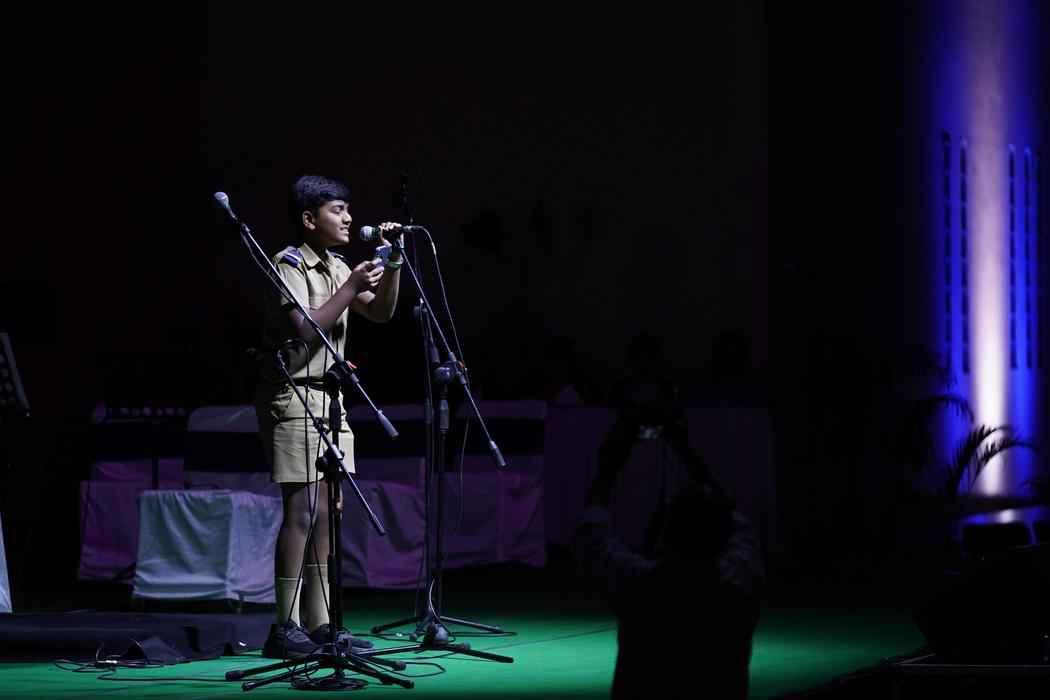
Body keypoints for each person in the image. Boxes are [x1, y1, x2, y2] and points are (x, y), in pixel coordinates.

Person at [253, 175, 403, 658]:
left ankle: (319, 624)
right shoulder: (288, 263)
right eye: (338, 210)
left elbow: (381, 314)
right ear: (309, 218)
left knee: (327, 515)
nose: (348, 218)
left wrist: (393, 263)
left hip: (331, 402)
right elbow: (306, 328)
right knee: (301, 512)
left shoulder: (338, 266)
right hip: (295, 396)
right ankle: (284, 626)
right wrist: (353, 285)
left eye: (348, 209)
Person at [574, 416, 764, 699]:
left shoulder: (638, 586)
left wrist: (609, 466)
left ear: (665, 536)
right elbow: (738, 524)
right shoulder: (739, 585)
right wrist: (689, 453)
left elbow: (593, 532)